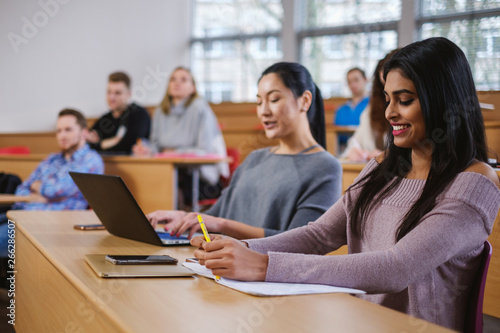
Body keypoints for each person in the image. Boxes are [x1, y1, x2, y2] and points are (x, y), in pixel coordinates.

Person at [189, 38, 500, 331]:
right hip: (356, 321)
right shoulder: (382, 166)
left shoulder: (474, 183)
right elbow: (319, 235)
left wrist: (263, 265)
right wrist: (238, 249)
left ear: (444, 101)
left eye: (405, 100)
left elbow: (396, 268)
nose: (390, 112)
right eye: (388, 99)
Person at [147, 62, 342, 239]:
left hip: (263, 274)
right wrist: (181, 217)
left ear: (305, 101)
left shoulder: (325, 166)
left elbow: (301, 243)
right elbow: (214, 217)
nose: (264, 111)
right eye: (259, 102)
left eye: (274, 99)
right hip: (220, 267)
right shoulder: (255, 159)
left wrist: (222, 225)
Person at [0, 109, 104, 255]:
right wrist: (40, 192)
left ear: (84, 133)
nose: (62, 135)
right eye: (59, 131)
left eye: (68, 130)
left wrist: (38, 187)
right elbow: (22, 188)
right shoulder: (51, 159)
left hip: (48, 224)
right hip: (20, 213)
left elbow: (57, 190)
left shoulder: (91, 160)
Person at [133, 66, 229, 205]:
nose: (177, 83)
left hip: (200, 178)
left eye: (183, 80)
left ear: (193, 88)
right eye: (173, 79)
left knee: (170, 188)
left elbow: (205, 150)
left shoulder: (200, 108)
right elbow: (156, 145)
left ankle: (173, 223)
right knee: (147, 182)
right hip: (169, 171)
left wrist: (174, 152)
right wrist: (147, 149)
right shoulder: (160, 111)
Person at [342, 50, 399, 162]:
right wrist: (354, 151)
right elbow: (356, 142)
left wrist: (388, 156)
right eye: (384, 89)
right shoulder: (372, 110)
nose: (388, 112)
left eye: (404, 98)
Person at [87, 72, 151, 154]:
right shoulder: (106, 118)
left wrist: (100, 144)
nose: (111, 97)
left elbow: (127, 147)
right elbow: (88, 143)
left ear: (129, 94)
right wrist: (111, 142)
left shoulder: (139, 114)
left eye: (118, 93)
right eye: (109, 92)